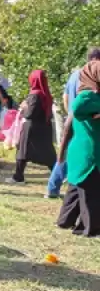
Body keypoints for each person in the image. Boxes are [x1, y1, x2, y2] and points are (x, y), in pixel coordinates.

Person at [56, 58, 100, 237]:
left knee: (76, 190)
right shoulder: (87, 96)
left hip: (82, 152)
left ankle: (65, 221)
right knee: (92, 193)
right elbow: (77, 108)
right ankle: (90, 228)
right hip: (88, 153)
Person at [46, 53, 94, 198]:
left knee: (67, 153)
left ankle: (53, 187)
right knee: (73, 156)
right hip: (86, 122)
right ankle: (55, 187)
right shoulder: (91, 76)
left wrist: (71, 114)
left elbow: (65, 97)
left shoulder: (75, 75)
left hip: (74, 119)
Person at [6, 70, 57, 184]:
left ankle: (18, 177)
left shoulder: (35, 94)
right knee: (47, 154)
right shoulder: (46, 93)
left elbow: (30, 114)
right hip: (44, 127)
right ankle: (58, 174)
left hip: (32, 128)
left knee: (22, 151)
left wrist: (24, 107)